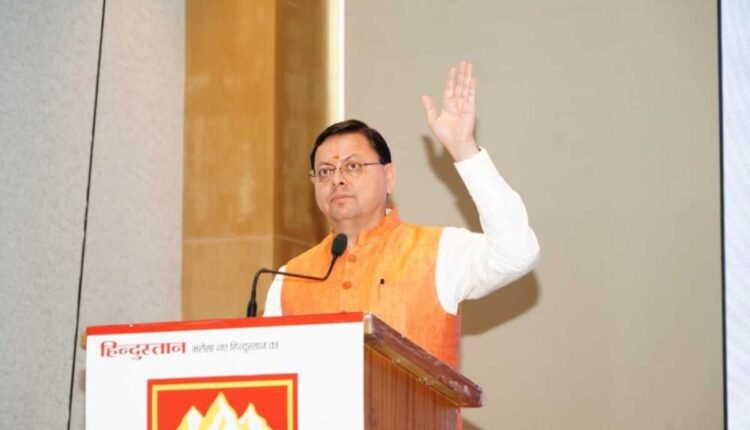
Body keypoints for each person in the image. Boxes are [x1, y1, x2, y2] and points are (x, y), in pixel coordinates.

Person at [263, 62, 539, 368]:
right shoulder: (289, 278)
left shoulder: (438, 252)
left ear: (389, 177)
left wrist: (464, 149)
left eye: (353, 166)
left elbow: (516, 253)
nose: (337, 179)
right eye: (325, 171)